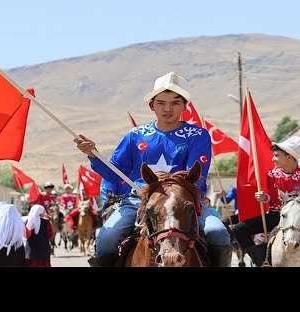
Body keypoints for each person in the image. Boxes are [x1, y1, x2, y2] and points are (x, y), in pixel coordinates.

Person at [74, 71, 231, 267]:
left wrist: (172, 194)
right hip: (138, 201)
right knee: (107, 236)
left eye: (175, 102)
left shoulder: (198, 135)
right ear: (152, 105)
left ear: (185, 106)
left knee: (218, 233)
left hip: (183, 204)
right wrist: (93, 154)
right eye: (161, 103)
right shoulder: (135, 135)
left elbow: (195, 177)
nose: (168, 108)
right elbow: (114, 175)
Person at [231, 136, 300, 267]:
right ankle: (261, 259)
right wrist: (264, 197)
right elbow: (270, 196)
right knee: (239, 229)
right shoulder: (272, 174)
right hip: (276, 215)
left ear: (289, 156)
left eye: (277, 156)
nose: (273, 159)